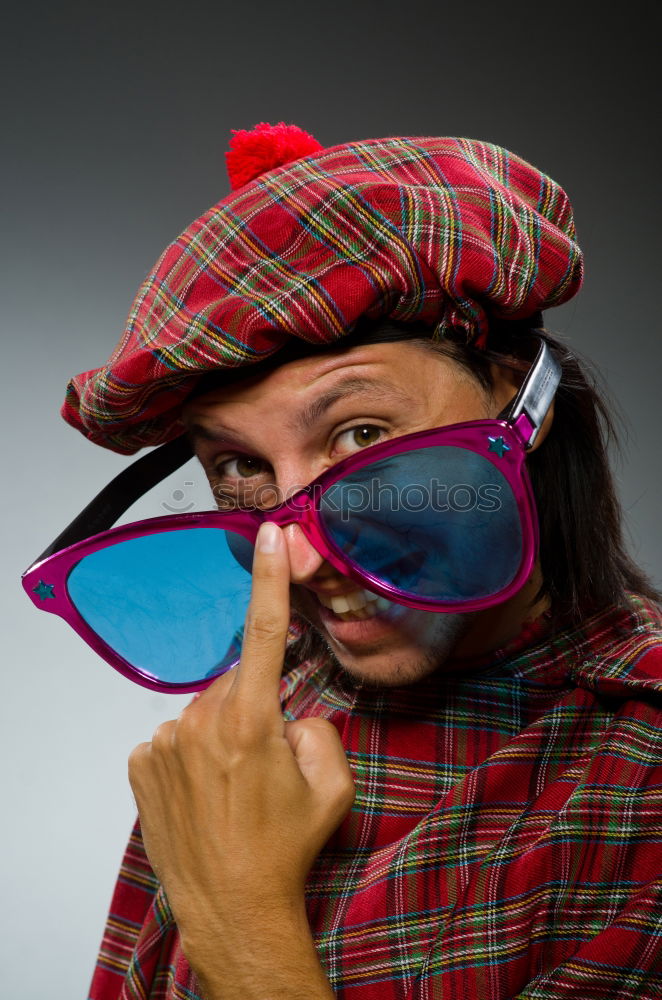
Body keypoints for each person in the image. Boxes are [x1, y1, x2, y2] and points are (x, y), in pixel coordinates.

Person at [26, 124, 662, 998]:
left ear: (521, 403)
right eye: (240, 467)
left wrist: (240, 921)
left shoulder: (641, 775)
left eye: (361, 433)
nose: (295, 553)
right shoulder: (236, 743)